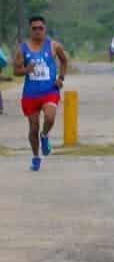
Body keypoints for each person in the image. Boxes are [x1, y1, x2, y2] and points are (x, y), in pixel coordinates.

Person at [14, 16, 69, 171]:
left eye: (40, 28)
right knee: (33, 127)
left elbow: (64, 61)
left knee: (50, 117)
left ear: (45, 29)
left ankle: (44, 135)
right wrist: (26, 70)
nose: (38, 31)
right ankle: (36, 157)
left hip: (49, 91)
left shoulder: (54, 46)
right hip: (30, 94)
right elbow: (15, 71)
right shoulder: (22, 49)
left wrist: (61, 78)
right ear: (30, 30)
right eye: (34, 28)